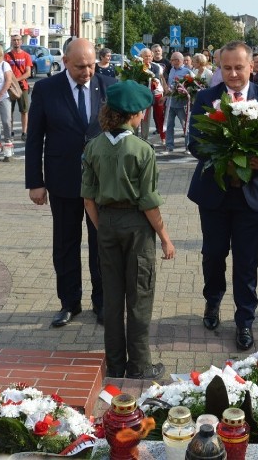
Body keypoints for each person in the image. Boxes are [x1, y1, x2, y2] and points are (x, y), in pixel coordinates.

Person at [187, 41, 258, 351]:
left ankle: (245, 320)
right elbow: (195, 143)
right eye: (226, 67)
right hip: (214, 194)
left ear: (251, 67)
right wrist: (224, 158)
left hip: (252, 196)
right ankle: (212, 301)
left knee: (247, 260)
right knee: (214, 254)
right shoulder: (205, 98)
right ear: (219, 67)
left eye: (238, 67)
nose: (232, 73)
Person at [82, 80, 175, 380]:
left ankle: (115, 363)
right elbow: (148, 202)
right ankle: (140, 365)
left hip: (106, 222)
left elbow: (88, 197)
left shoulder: (93, 146)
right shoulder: (141, 150)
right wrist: (164, 238)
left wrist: (103, 227)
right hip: (136, 226)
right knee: (140, 295)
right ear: (136, 114)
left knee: (112, 296)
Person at [25, 38, 110, 327]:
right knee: (65, 244)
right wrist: (35, 182)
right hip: (63, 181)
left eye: (91, 65)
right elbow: (35, 138)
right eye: (80, 66)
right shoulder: (47, 89)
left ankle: (103, 303)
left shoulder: (109, 86)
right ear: (65, 62)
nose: (87, 71)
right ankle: (69, 303)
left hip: (102, 184)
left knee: (102, 244)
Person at [164, 51, 192, 154]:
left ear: (178, 60)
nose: (171, 62)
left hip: (181, 104)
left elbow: (190, 87)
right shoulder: (171, 70)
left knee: (185, 126)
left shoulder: (187, 71)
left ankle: (188, 147)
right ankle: (169, 146)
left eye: (172, 60)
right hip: (170, 103)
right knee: (169, 125)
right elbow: (169, 85)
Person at [5, 35, 33, 141]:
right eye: (14, 40)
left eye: (18, 40)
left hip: (22, 87)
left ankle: (24, 132)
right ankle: (10, 132)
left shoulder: (26, 56)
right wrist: (11, 82)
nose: (16, 42)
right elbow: (5, 72)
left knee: (24, 111)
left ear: (21, 42)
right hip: (10, 87)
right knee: (9, 111)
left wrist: (16, 80)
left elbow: (28, 73)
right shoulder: (7, 56)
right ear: (11, 42)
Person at [139, 47, 167, 140]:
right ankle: (143, 137)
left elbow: (157, 78)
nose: (148, 58)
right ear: (141, 57)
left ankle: (163, 137)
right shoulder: (137, 66)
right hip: (143, 95)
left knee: (159, 116)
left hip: (156, 93)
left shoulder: (156, 66)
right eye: (146, 56)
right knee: (144, 117)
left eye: (150, 56)